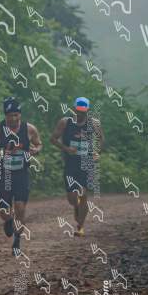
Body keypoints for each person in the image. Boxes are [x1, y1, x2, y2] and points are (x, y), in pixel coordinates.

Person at [0, 97, 42, 255]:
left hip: (21, 173)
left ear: (20, 114)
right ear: (5, 115)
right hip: (3, 174)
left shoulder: (29, 129)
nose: (14, 119)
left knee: (20, 208)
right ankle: (8, 220)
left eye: (16, 115)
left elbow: (39, 143)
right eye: (10, 116)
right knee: (4, 212)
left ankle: (17, 240)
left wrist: (36, 150)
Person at [51, 97, 104, 237]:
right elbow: (53, 139)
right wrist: (66, 148)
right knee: (72, 197)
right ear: (74, 109)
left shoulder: (94, 123)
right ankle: (76, 206)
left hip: (87, 163)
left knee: (83, 194)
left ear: (87, 111)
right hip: (70, 164)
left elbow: (100, 139)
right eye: (78, 111)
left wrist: (97, 152)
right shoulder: (65, 122)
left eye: (83, 111)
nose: (80, 114)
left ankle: (80, 226)